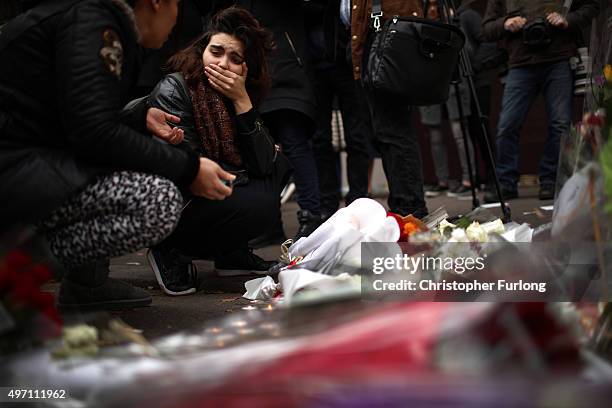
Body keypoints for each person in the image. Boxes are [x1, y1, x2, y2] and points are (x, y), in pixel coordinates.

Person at [0, 0, 235, 310]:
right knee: (156, 201)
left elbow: (70, 114)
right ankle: (13, 273)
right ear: (157, 2)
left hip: (27, 158)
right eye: (177, 4)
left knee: (126, 158)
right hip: (14, 167)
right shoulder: (94, 21)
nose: (177, 17)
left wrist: (140, 117)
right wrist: (190, 168)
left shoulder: (97, 19)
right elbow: (93, 134)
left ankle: (87, 282)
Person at [144, 7, 291, 295]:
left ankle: (230, 253)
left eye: (235, 59)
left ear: (246, 69)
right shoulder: (177, 89)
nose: (223, 64)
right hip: (177, 200)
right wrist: (242, 178)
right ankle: (167, 250)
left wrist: (242, 101)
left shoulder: (238, 94)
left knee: (277, 169)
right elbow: (186, 168)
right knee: (255, 200)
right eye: (216, 52)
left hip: (220, 186)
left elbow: (264, 164)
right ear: (203, 50)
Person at [482, 0, 599, 202]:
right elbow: (487, 28)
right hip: (520, 62)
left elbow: (591, 6)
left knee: (560, 124)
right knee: (507, 125)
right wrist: (506, 23)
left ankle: (551, 180)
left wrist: (567, 20)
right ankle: (505, 183)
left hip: (559, 59)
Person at [350, 0, 428, 219]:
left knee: (395, 134)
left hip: (389, 54)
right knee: (386, 135)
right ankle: (406, 206)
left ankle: (410, 209)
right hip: (374, 56)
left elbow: (407, 16)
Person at [306, 0, 371, 219]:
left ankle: (358, 201)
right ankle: (327, 203)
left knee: (357, 136)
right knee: (320, 139)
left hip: (348, 61)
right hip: (314, 65)